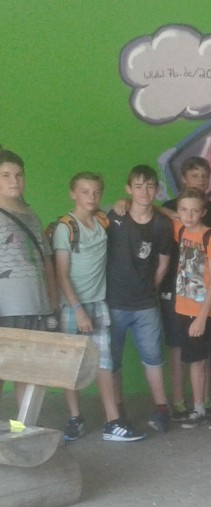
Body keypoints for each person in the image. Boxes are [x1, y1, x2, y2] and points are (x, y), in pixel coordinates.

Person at [107, 165, 174, 435]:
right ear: (128, 189)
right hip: (114, 303)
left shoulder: (162, 224)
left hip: (146, 305)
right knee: (112, 361)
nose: (144, 192)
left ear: (157, 190)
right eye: (138, 186)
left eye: (150, 186)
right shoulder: (115, 216)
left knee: (153, 359)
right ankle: (118, 411)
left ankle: (162, 410)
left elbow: (164, 261)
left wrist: (149, 288)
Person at [0, 150, 60, 418]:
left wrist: (53, 303)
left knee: (28, 373)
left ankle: (22, 430)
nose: (14, 181)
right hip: (6, 310)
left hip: (37, 308)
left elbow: (47, 261)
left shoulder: (32, 215)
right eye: (5, 175)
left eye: (19, 175)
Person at [160, 157, 211, 422]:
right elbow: (148, 207)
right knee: (178, 347)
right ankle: (179, 401)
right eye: (195, 176)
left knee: (205, 352)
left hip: (206, 295)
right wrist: (172, 213)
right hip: (178, 293)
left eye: (204, 176)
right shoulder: (171, 210)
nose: (200, 181)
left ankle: (203, 400)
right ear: (184, 179)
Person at [52, 172, 110, 441]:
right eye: (85, 191)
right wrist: (78, 310)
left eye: (96, 192)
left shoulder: (102, 221)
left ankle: (113, 420)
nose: (91, 197)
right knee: (71, 366)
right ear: (73, 194)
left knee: (105, 363)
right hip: (73, 306)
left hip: (99, 303)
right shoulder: (65, 228)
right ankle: (75, 418)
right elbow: (61, 274)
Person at [170, 189, 211, 430]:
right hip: (185, 309)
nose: (188, 215)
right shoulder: (180, 230)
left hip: (210, 314)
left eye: (194, 211)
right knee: (195, 360)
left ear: (203, 212)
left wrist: (202, 317)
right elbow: (161, 211)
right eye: (183, 210)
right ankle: (198, 407)